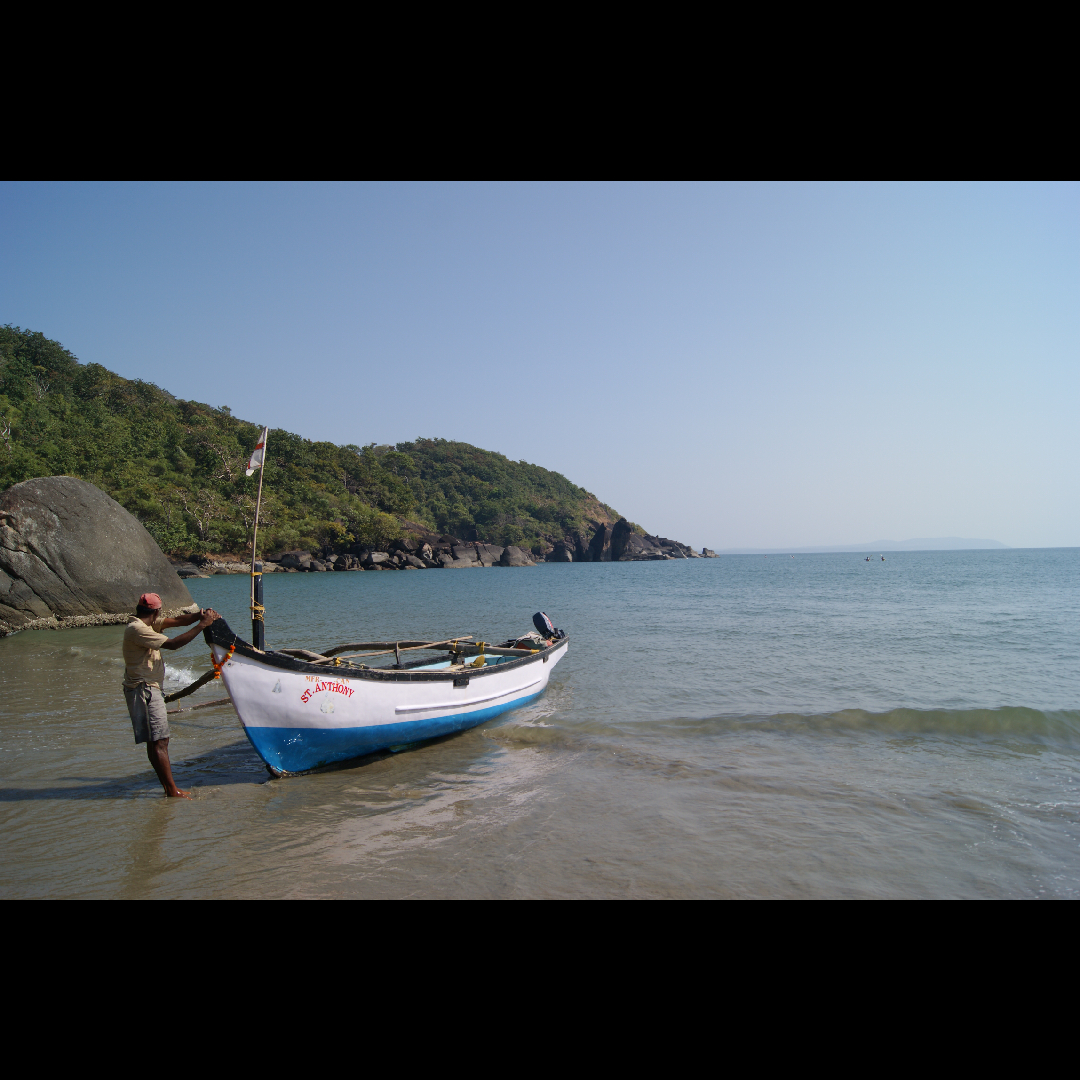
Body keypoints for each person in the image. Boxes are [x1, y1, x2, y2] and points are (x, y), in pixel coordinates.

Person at [123, 592, 219, 799]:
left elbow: (177, 621)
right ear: (157, 611)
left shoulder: (146, 623)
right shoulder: (138, 629)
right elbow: (174, 644)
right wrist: (203, 625)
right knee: (159, 741)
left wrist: (199, 615)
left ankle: (169, 789)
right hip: (144, 688)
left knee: (157, 740)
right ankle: (171, 791)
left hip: (147, 687)